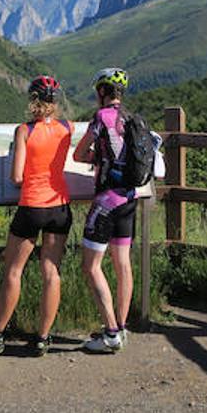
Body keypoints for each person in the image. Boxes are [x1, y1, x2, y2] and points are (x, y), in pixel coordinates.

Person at [0, 75, 72, 357]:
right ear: (55, 100)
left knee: (14, 272)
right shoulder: (67, 128)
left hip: (32, 206)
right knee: (51, 272)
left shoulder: (24, 130)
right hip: (60, 206)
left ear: (33, 100)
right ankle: (42, 338)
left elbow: (16, 177)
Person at [73, 66, 137, 353]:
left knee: (90, 266)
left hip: (107, 200)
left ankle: (110, 333)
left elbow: (78, 153)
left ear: (101, 92)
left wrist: (94, 157)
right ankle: (121, 327)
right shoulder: (131, 118)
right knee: (123, 264)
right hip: (129, 199)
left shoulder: (101, 117)